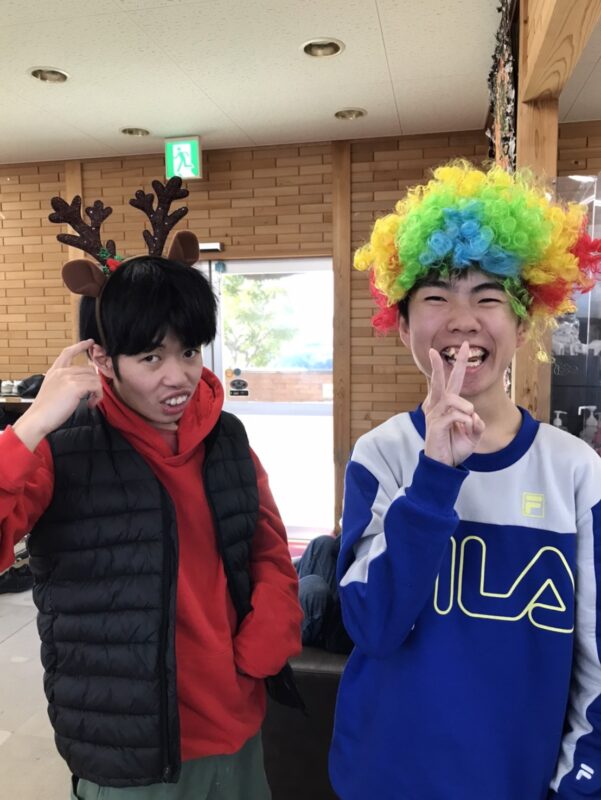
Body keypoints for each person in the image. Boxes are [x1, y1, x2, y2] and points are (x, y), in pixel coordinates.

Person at [0, 179, 303, 799]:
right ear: (102, 360)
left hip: (237, 728)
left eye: (189, 352)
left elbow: (267, 550)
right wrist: (28, 428)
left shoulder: (226, 438)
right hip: (124, 750)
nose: (179, 377)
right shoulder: (61, 450)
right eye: (150, 358)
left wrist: (264, 643)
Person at [329, 161, 601, 800]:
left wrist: (578, 785)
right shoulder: (380, 455)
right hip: (381, 779)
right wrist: (433, 479)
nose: (462, 319)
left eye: (488, 297)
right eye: (435, 298)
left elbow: (596, 662)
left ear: (523, 323)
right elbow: (371, 626)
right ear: (402, 326)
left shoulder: (576, 471)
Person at [295, 534, 352, 654]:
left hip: (339, 630)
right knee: (322, 543)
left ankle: (269, 627)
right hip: (340, 606)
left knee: (314, 589)